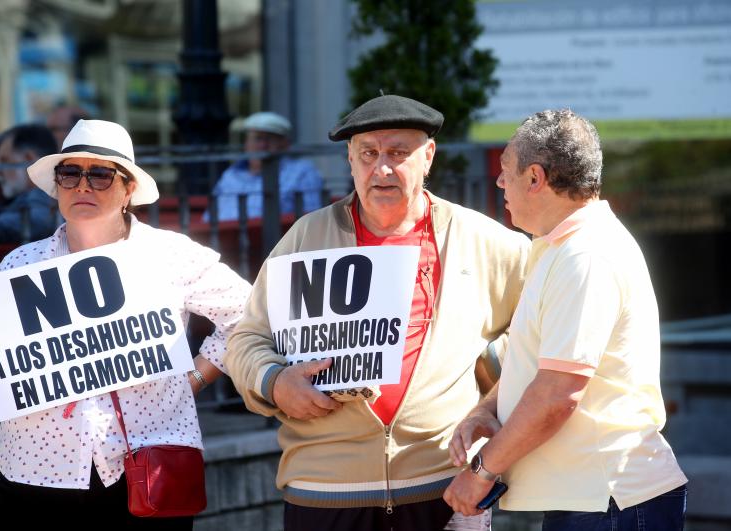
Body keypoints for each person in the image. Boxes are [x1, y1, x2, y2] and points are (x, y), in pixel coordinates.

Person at [224, 94, 529, 531]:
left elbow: (542, 326)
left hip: (444, 486)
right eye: (368, 153)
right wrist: (275, 382)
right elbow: (246, 339)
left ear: (428, 156)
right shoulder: (307, 237)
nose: (382, 168)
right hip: (323, 490)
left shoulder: (482, 240)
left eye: (398, 153)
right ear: (350, 160)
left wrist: (492, 375)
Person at [0, 119, 251, 530]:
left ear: (129, 189)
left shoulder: (170, 254)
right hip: (33, 474)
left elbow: (247, 316)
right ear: (57, 185)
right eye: (70, 173)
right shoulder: (20, 264)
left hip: (146, 471)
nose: (83, 186)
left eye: (100, 175)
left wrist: (196, 377)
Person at [443, 109, 688, 530]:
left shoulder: (584, 255)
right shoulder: (565, 248)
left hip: (609, 500)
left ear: (534, 177)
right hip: (598, 499)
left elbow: (557, 394)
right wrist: (487, 409)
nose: (499, 183)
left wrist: (481, 471)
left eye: (505, 171)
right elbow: (545, 369)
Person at [208, 111, 324, 221]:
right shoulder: (231, 174)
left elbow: (311, 221)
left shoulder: (302, 172)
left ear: (285, 144)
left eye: (269, 139)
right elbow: (209, 216)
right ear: (246, 144)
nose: (262, 145)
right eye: (257, 139)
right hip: (218, 235)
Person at [0, 124, 58, 245]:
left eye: (4, 160)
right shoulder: (33, 195)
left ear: (29, 159)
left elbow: (38, 220)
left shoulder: (43, 193)